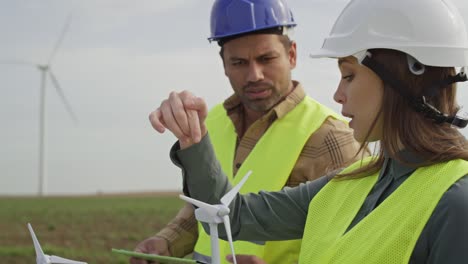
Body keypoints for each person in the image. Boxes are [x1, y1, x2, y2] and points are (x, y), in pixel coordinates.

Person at [151, 0, 468, 263]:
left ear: (401, 79)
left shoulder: (456, 204)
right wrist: (193, 139)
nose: (337, 95)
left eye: (349, 75)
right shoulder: (347, 185)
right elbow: (231, 217)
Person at [132, 0, 365, 263]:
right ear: (224, 65)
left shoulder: (333, 137)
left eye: (266, 59)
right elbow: (204, 209)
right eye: (239, 62)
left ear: (292, 55)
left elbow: (355, 247)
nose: (254, 74)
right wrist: (166, 242)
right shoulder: (213, 122)